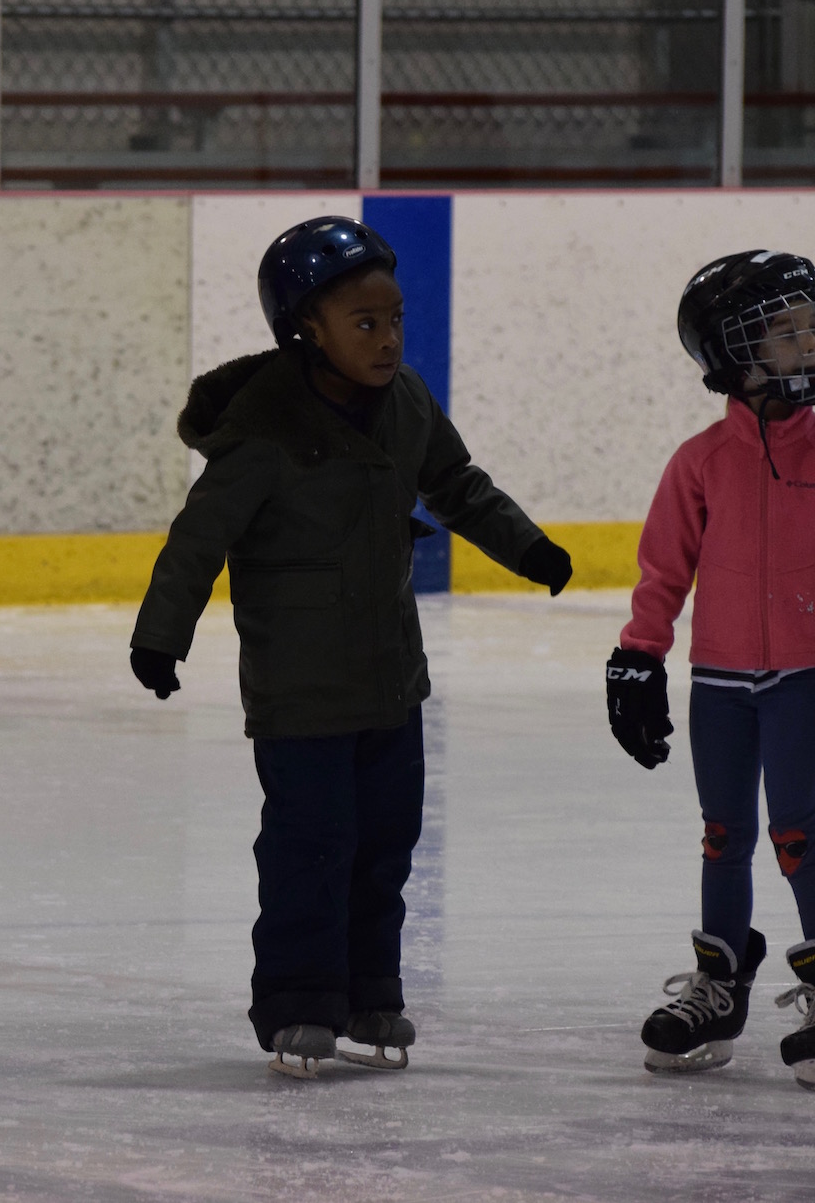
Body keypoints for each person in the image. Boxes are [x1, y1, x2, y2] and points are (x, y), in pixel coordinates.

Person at [129, 216, 573, 1078]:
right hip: (299, 690)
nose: (387, 337)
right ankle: (298, 1001)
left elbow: (459, 486)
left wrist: (526, 547)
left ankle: (372, 992)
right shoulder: (263, 429)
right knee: (310, 845)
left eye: (394, 318)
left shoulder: (405, 402)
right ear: (306, 328)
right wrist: (160, 638)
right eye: (364, 323)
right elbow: (197, 541)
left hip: (390, 682)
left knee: (384, 842)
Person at [606, 250, 815, 1089]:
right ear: (733, 353)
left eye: (811, 326)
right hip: (715, 680)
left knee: (794, 835)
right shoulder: (699, 461)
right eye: (785, 331)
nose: (812, 342)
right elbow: (662, 571)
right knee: (722, 836)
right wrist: (639, 657)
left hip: (794, 681)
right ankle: (719, 987)